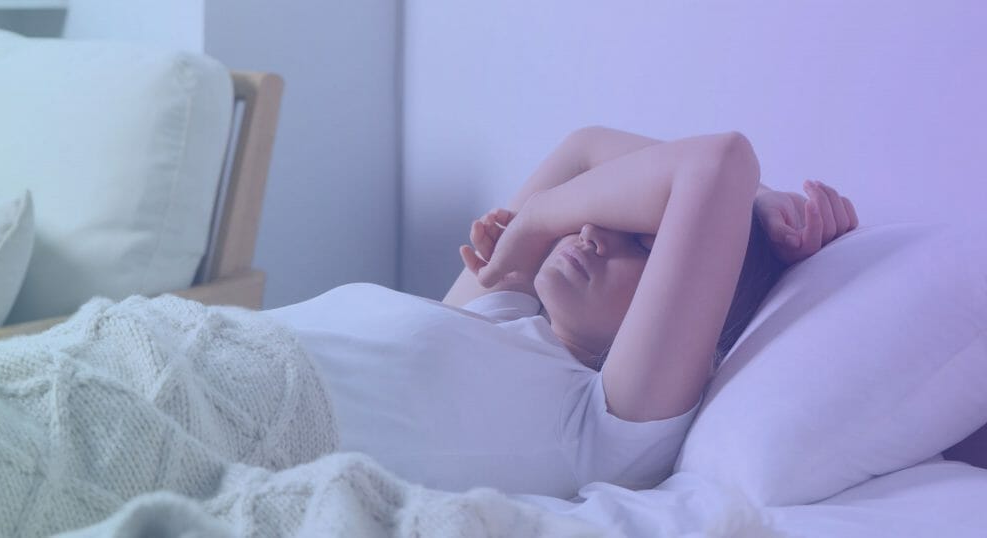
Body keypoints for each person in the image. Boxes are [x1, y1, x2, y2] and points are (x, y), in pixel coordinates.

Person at [266, 126, 858, 499]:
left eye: (644, 243)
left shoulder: (609, 423)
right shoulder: (500, 310)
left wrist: (541, 216)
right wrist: (759, 200)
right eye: (598, 215)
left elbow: (720, 162)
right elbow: (583, 150)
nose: (592, 229)